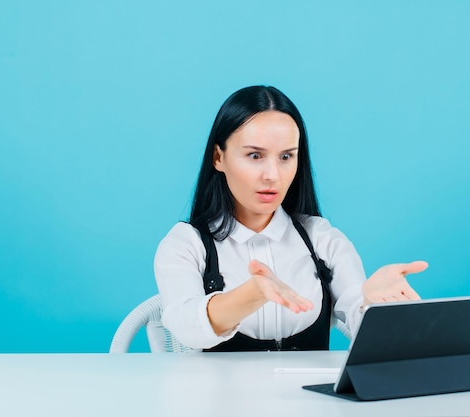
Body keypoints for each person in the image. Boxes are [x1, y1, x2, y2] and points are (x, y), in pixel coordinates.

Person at [154, 85, 428, 351]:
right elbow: (185, 325)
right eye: (254, 155)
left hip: (310, 398)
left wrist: (374, 304)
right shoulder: (187, 243)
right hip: (220, 398)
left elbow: (361, 316)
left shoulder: (321, 238)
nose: (272, 174)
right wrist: (252, 294)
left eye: (286, 156)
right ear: (218, 157)